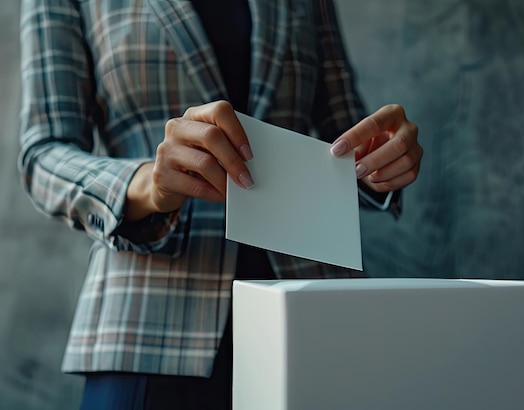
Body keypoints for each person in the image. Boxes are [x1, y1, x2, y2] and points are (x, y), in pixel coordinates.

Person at [18, 0, 422, 408]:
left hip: (309, 315)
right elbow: (43, 154)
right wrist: (147, 183)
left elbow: (345, 139)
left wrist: (381, 160)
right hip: (147, 324)